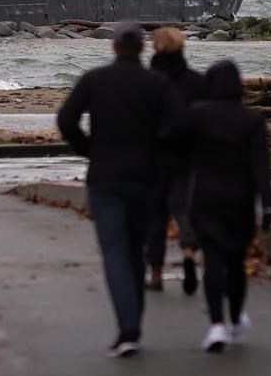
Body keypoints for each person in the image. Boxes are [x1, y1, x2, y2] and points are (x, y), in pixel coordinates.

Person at [56, 21, 183, 358]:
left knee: (115, 252)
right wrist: (156, 150)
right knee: (136, 249)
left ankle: (128, 329)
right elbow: (179, 125)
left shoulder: (95, 80)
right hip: (145, 177)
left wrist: (89, 149)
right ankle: (133, 328)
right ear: (143, 48)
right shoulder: (157, 83)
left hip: (105, 176)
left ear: (113, 47)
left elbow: (66, 119)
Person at [188, 60, 271, 353]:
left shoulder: (198, 115)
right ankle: (236, 318)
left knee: (212, 261)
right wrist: (269, 206)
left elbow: (175, 147)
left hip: (206, 199)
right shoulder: (251, 120)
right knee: (236, 263)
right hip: (240, 200)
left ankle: (216, 326)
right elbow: (261, 166)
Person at [146, 26, 205, 294]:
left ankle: (156, 273)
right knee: (184, 209)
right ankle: (190, 253)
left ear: (156, 48)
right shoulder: (196, 81)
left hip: (154, 157)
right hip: (188, 155)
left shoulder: (147, 80)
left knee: (156, 216)